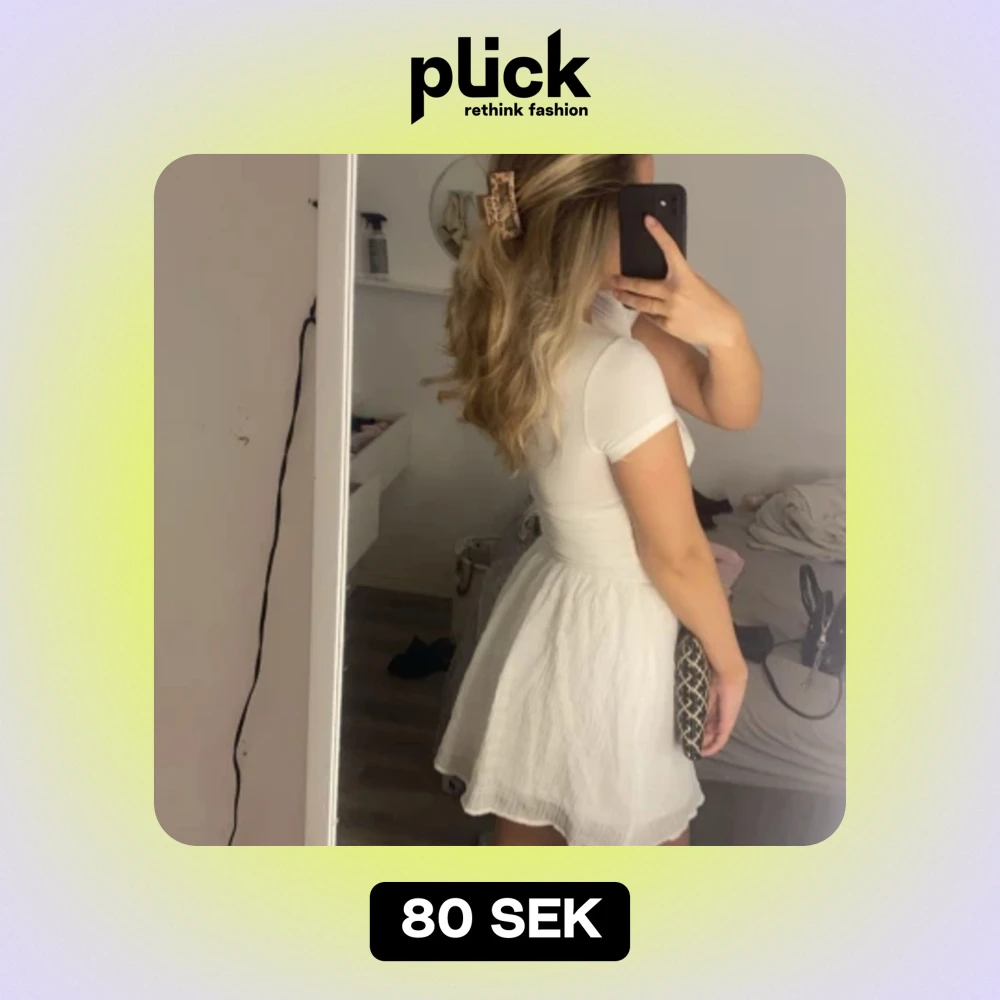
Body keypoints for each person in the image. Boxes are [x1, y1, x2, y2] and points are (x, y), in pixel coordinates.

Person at [431, 154, 762, 846]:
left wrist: (725, 331)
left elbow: (728, 407)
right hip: (616, 628)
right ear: (598, 219)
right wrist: (730, 663)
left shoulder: (562, 321)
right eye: (643, 200)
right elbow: (674, 554)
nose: (654, 221)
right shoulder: (618, 364)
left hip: (558, 597)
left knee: (534, 812)